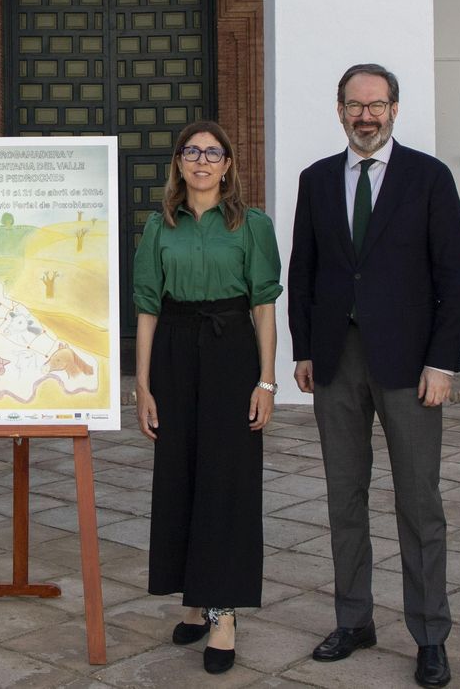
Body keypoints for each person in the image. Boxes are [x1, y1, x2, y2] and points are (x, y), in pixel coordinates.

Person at [287, 63, 460, 688]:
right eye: (355, 105)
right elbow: (304, 272)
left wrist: (442, 362)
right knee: (345, 497)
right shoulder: (316, 180)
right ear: (339, 110)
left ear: (395, 108)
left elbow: (455, 278)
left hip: (410, 365)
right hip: (336, 362)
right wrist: (304, 349)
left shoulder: (429, 177)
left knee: (420, 504)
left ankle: (429, 633)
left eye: (377, 104)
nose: (366, 115)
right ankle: (354, 619)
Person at [132, 120, 281, 676]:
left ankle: (223, 613)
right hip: (173, 352)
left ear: (227, 164)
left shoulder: (252, 225)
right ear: (177, 162)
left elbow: (264, 306)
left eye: (212, 153)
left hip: (230, 353)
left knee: (227, 479)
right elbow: (147, 306)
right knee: (179, 475)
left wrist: (265, 381)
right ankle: (192, 597)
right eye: (191, 152)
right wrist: (143, 385)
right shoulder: (158, 227)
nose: (201, 161)